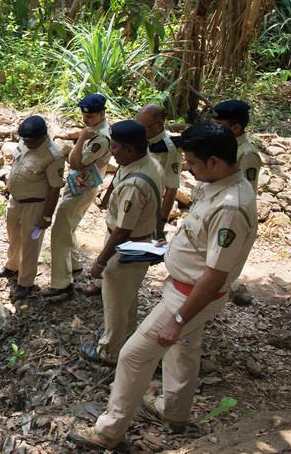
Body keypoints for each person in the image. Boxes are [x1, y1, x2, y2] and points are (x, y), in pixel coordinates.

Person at [70, 121, 258, 450]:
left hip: (189, 296)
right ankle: (175, 411)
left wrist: (179, 319)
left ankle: (109, 431)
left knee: (132, 356)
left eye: (192, 161)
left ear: (214, 162)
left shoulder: (230, 206)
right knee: (183, 350)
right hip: (187, 290)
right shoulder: (217, 187)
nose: (186, 166)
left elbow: (214, 273)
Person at [79, 120, 162, 365]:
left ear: (129, 150)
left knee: (114, 301)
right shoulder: (150, 164)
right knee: (127, 297)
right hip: (139, 241)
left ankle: (110, 352)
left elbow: (123, 230)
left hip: (127, 246)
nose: (111, 152)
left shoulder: (135, 184)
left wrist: (101, 261)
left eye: (114, 148)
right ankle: (125, 340)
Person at [46, 93, 112, 299]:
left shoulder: (100, 138)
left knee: (59, 231)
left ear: (102, 113)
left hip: (84, 187)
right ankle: (73, 265)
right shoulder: (95, 129)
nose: (86, 120)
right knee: (68, 227)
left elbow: (75, 163)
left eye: (90, 117)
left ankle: (62, 283)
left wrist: (82, 136)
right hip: (79, 183)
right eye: (84, 116)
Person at [0, 116, 65, 299]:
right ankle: (12, 266)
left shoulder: (53, 155)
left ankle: (25, 282)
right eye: (24, 139)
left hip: (35, 205)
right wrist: (9, 186)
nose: (26, 143)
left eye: (30, 140)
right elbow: (16, 165)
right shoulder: (25, 141)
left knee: (30, 245)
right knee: (13, 236)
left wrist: (47, 216)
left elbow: (55, 189)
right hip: (15, 201)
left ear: (42, 137)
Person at [137, 104, 181, 239]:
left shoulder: (169, 150)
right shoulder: (140, 139)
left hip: (147, 209)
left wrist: (160, 223)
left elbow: (172, 188)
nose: (138, 129)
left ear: (157, 125)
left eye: (142, 126)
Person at [212, 100, 261, 195]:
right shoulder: (223, 145)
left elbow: (247, 193)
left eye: (218, 125)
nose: (213, 128)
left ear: (235, 128)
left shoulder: (247, 154)